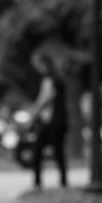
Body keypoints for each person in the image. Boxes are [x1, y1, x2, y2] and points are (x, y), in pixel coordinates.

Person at [28, 54, 69, 190]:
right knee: (59, 152)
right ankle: (63, 181)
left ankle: (38, 182)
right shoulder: (60, 80)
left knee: (38, 150)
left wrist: (34, 110)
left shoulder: (49, 80)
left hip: (50, 121)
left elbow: (46, 97)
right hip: (60, 121)